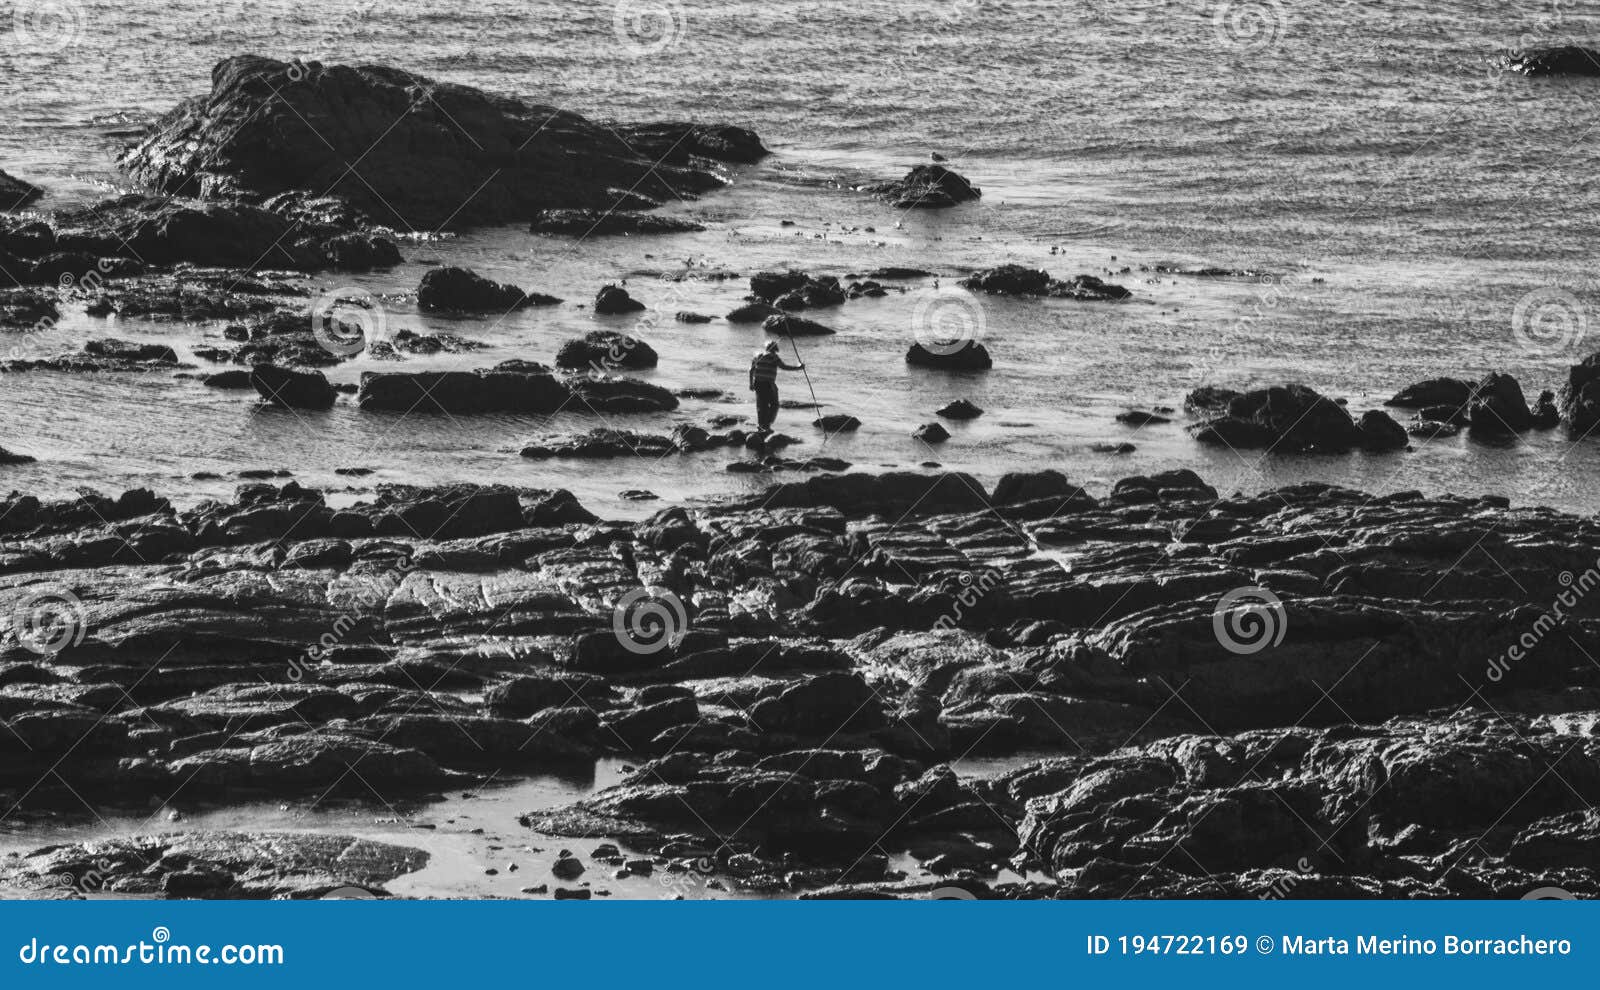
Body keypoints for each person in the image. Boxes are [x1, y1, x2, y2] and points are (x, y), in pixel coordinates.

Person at [749, 340, 804, 432]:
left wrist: (751, 384)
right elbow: (784, 367)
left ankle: (761, 425)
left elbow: (751, 370)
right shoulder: (774, 357)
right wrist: (798, 368)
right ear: (776, 349)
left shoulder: (758, 356)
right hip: (768, 384)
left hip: (757, 383)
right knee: (774, 405)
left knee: (761, 405)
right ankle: (766, 424)